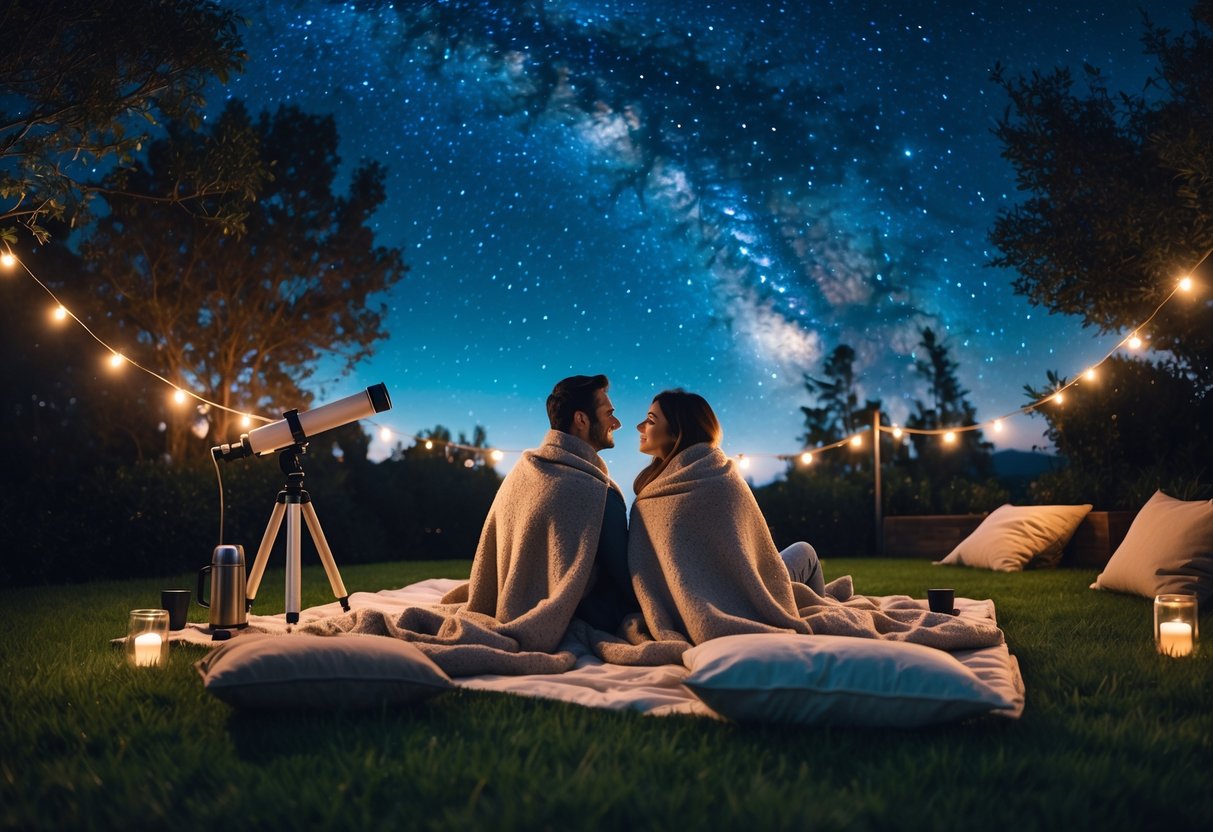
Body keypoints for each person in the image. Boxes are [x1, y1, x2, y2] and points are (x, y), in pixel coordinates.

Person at [634, 389, 826, 594]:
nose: (639, 427)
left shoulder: (649, 492)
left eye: (650, 421)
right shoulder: (721, 478)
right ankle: (819, 608)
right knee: (806, 551)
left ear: (677, 432)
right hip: (746, 594)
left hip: (694, 599)